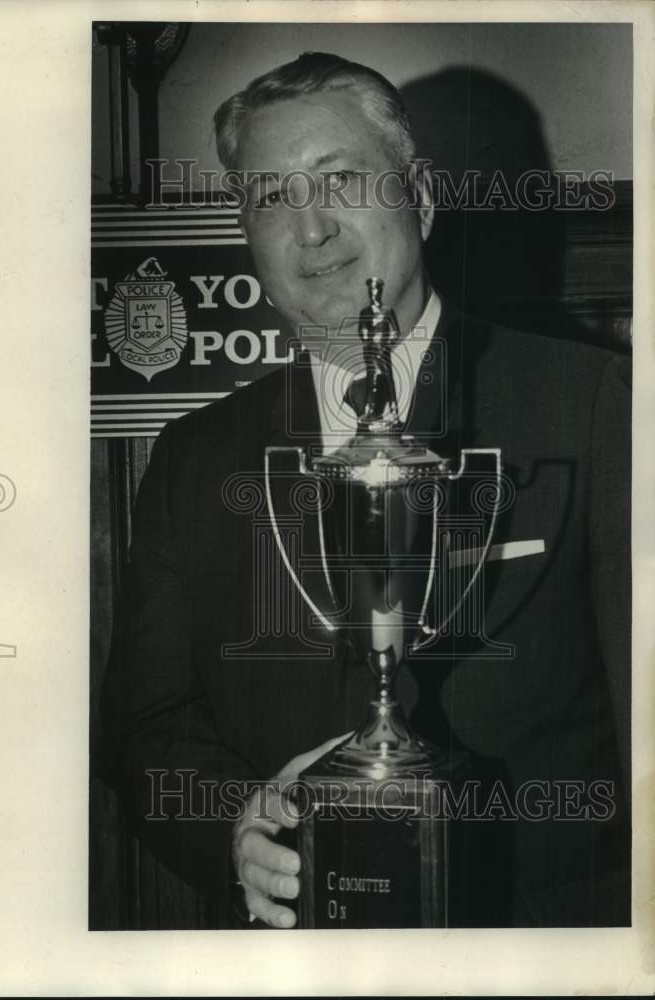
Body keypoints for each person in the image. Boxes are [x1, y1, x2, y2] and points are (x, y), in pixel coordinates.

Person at [99, 52, 631, 929]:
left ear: (418, 197)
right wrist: (233, 830)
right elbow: (145, 728)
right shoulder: (192, 457)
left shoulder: (592, 407)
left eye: (338, 180)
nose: (309, 231)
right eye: (270, 197)